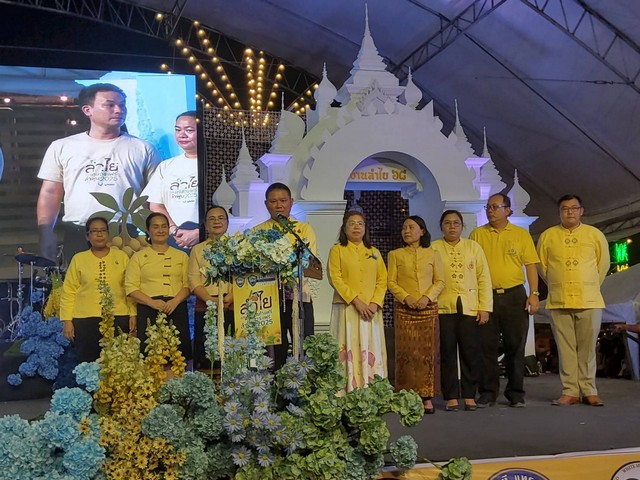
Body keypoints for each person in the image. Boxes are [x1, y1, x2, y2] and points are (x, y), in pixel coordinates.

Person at [37, 83, 161, 261]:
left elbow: (156, 196)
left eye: (122, 105)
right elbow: (50, 192)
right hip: (79, 233)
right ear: (87, 110)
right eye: (110, 105)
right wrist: (45, 231)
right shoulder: (62, 147)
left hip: (126, 233)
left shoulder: (143, 148)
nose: (119, 110)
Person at [537, 194, 610, 406]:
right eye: (565, 209)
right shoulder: (548, 236)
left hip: (589, 299)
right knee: (565, 347)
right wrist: (557, 283)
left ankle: (589, 390)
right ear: (559, 212)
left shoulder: (594, 234)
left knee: (587, 348)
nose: (569, 212)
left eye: (574, 208)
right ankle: (570, 390)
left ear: (581, 211)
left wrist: (588, 284)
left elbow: (603, 265)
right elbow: (543, 267)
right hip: (559, 299)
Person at [469, 193, 540, 408]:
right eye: (488, 207)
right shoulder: (477, 234)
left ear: (508, 210)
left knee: (515, 346)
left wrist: (534, 294)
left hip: (514, 295)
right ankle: (488, 392)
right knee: (486, 347)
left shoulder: (520, 234)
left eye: (495, 207)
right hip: (486, 297)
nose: (490, 211)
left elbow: (531, 265)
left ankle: (516, 393)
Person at [432, 210, 493, 412]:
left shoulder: (473, 247)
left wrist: (484, 307)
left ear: (462, 226)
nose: (452, 227)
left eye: (456, 223)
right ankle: (450, 396)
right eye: (447, 223)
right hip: (443, 308)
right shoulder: (433, 248)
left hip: (470, 307)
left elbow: (483, 278)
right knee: (447, 352)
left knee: (470, 352)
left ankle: (469, 395)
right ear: (441, 226)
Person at [253, 182, 317, 369]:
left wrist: (288, 277)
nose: (279, 205)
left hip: (299, 298)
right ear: (266, 204)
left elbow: (307, 261)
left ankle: (304, 384)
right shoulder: (257, 232)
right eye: (273, 201)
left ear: (291, 202)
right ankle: (276, 384)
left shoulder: (303, 230)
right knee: (276, 350)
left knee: (305, 346)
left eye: (283, 200)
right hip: (270, 301)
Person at [388, 215, 444, 413]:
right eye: (404, 228)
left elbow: (440, 281)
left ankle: (427, 397)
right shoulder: (395, 254)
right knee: (405, 356)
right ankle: (405, 396)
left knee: (427, 355)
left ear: (422, 231)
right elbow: (391, 282)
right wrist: (406, 297)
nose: (407, 231)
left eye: (411, 227)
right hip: (405, 310)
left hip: (428, 310)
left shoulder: (433, 254)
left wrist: (427, 298)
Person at [59, 216, 136, 362]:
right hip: (85, 319)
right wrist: (67, 321)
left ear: (108, 234)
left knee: (119, 364)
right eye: (94, 231)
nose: (99, 234)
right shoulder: (79, 259)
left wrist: (133, 314)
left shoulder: (122, 257)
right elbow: (69, 291)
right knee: (89, 364)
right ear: (87, 236)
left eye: (103, 230)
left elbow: (130, 288)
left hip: (118, 316)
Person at [328, 210, 388, 394]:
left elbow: (382, 280)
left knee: (371, 346)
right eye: (352, 223)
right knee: (347, 346)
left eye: (360, 223)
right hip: (347, 308)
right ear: (344, 228)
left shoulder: (374, 252)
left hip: (371, 311)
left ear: (365, 228)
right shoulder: (337, 250)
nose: (356, 227)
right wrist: (356, 301)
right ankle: (346, 390)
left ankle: (372, 390)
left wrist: (374, 303)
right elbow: (335, 278)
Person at [125, 212, 191, 361]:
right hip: (148, 310)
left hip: (176, 308)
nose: (160, 230)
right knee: (151, 357)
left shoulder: (182, 256)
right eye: (155, 227)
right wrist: (152, 302)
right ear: (148, 231)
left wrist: (174, 301)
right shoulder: (138, 257)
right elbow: (130, 287)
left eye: (164, 226)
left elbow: (188, 285)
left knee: (177, 358)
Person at [143, 111, 200, 252]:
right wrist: (174, 230)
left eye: (189, 130)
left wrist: (200, 232)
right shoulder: (165, 166)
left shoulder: (215, 164)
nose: (182, 135)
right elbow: (155, 204)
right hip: (175, 239)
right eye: (178, 130)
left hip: (209, 239)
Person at [188, 205, 234, 370]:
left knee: (232, 351)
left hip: (231, 304)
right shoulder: (197, 250)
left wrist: (231, 297)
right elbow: (193, 279)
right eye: (212, 219)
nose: (216, 222)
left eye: (221, 218)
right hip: (206, 305)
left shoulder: (238, 247)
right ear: (205, 225)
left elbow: (243, 277)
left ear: (227, 222)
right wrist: (209, 300)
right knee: (207, 353)